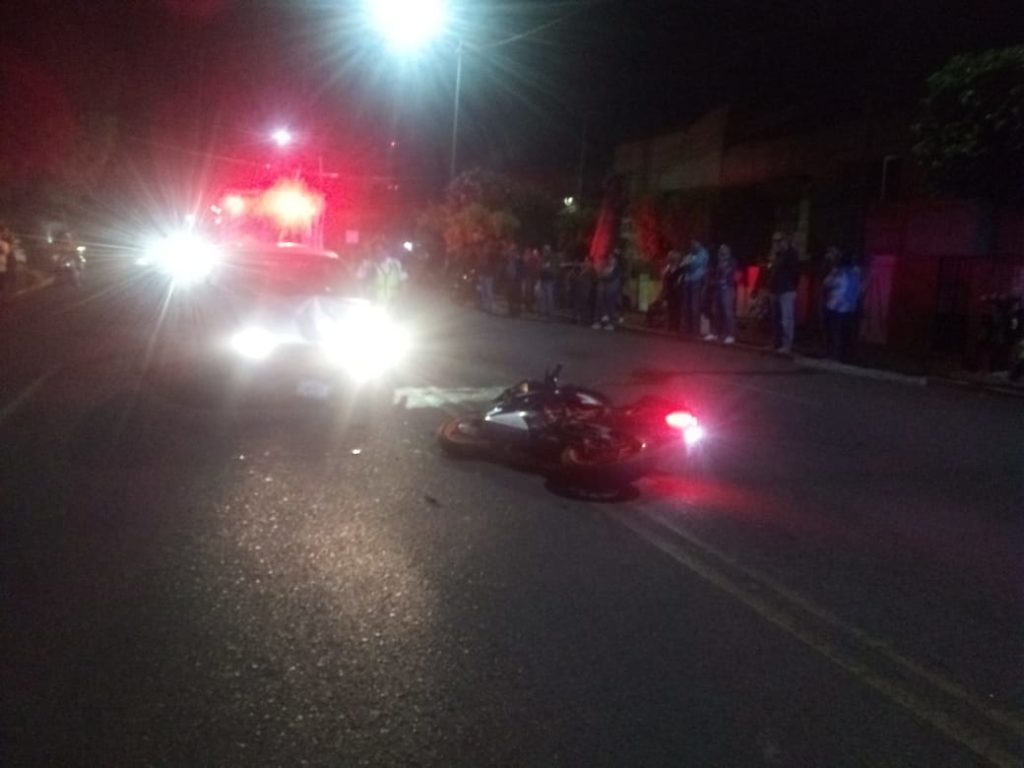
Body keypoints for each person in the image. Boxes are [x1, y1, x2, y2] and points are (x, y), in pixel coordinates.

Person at [823, 248, 860, 361]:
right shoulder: (856, 272)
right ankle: (844, 355)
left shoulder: (839, 272)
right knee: (845, 333)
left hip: (836, 306)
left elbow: (827, 283)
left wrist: (832, 273)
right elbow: (859, 288)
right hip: (850, 307)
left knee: (833, 332)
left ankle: (832, 355)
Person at [767, 232, 800, 353]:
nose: (776, 244)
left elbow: (795, 273)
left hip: (786, 289)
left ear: (785, 241)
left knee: (786, 319)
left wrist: (793, 288)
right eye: (775, 241)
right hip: (775, 289)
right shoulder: (778, 255)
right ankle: (776, 343)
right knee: (776, 318)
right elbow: (772, 271)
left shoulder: (792, 254)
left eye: (778, 241)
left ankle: (786, 345)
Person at [704, 244, 738, 343]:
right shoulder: (718, 262)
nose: (721, 251)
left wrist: (730, 282)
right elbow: (714, 274)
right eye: (720, 250)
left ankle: (730, 335)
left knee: (728, 312)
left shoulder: (732, 262)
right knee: (715, 311)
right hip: (718, 288)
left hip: (728, 289)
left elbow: (734, 275)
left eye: (724, 250)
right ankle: (715, 333)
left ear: (728, 251)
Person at [680, 239, 709, 337]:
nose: (692, 245)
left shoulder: (703, 253)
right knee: (686, 306)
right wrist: (687, 264)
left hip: (697, 281)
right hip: (687, 281)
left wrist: (688, 263)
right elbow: (682, 265)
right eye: (691, 243)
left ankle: (695, 330)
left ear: (699, 243)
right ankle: (687, 329)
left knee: (694, 306)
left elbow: (694, 265)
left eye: (694, 243)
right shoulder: (690, 254)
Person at [593, 248, 624, 330]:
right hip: (605, 291)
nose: (610, 260)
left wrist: (603, 276)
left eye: (612, 258)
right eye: (609, 258)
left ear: (615, 260)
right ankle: (601, 322)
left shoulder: (616, 269)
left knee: (611, 307)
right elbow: (601, 276)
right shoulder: (606, 267)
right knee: (603, 306)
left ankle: (611, 323)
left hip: (613, 291)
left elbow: (610, 277)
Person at [537, 244, 557, 317]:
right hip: (542, 279)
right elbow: (539, 268)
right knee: (542, 297)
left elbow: (553, 270)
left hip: (549, 280)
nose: (545, 252)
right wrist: (543, 269)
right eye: (545, 250)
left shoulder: (552, 260)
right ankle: (543, 311)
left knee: (549, 297)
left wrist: (546, 269)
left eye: (547, 251)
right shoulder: (542, 259)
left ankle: (550, 312)